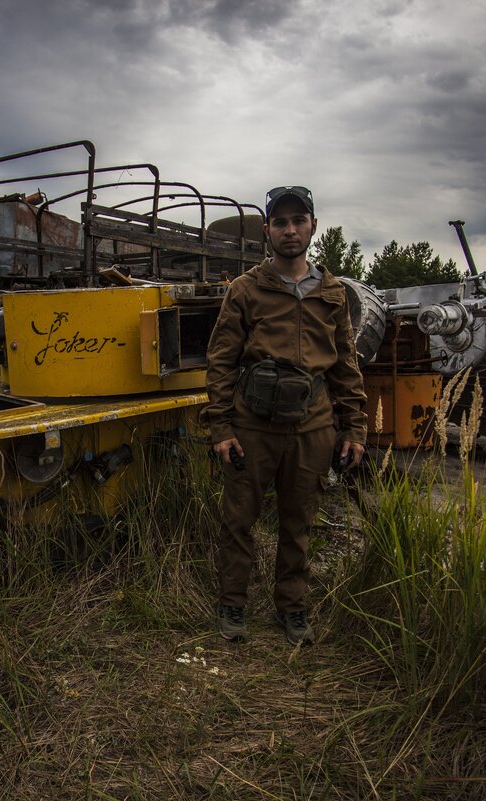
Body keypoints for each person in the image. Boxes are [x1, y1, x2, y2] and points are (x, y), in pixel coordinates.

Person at [203, 185, 367, 645]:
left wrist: (354, 427)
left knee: (300, 522)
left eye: (299, 220)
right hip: (253, 424)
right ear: (268, 231)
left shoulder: (332, 292)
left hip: (312, 426)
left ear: (313, 226)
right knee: (239, 519)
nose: (290, 230)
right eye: (281, 222)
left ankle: (291, 608)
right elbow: (220, 362)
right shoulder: (246, 289)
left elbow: (345, 364)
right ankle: (233, 605)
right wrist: (221, 427)